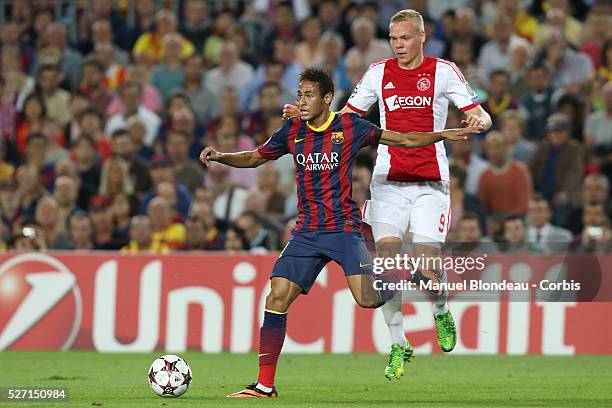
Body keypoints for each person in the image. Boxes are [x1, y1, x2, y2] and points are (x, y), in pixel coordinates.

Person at [201, 67, 480, 398]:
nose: (302, 102)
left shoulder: (350, 127)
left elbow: (403, 139)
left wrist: (441, 135)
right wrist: (221, 157)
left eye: (309, 95)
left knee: (366, 299)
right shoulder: (292, 131)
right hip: (306, 231)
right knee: (276, 296)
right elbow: (254, 157)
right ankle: (264, 385)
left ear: (327, 98)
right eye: (299, 95)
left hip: (343, 229)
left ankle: (404, 279)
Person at [286, 9, 492, 380]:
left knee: (428, 265)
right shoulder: (378, 73)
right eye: (394, 38)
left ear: (422, 37)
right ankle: (399, 343)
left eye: (406, 38)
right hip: (388, 182)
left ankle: (441, 311)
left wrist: (478, 121)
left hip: (430, 183)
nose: (399, 45)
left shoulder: (443, 71)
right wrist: (306, 117)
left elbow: (482, 115)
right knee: (388, 266)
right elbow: (344, 118)